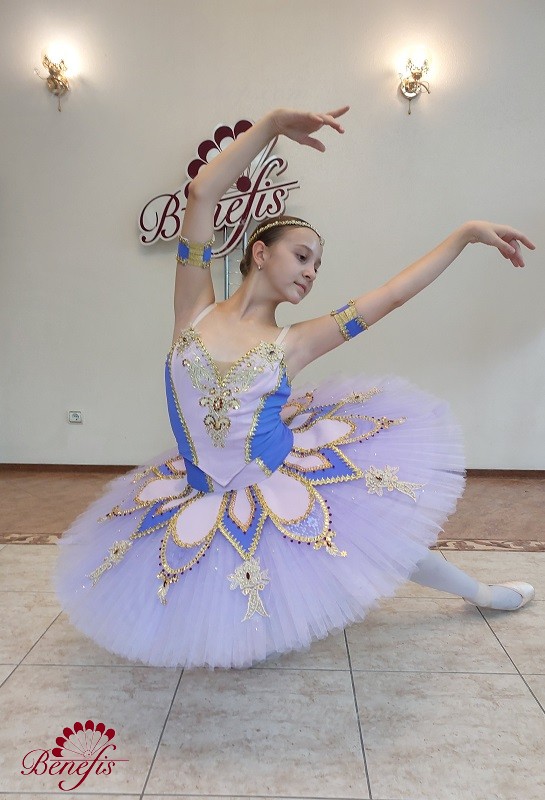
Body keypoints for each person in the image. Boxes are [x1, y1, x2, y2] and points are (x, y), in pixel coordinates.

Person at [55, 106, 536, 669]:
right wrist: (270, 127)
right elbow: (202, 194)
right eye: (302, 256)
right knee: (210, 584)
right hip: (200, 488)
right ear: (260, 253)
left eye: (317, 266)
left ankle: (481, 594)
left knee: (389, 546)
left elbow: (391, 295)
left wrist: (464, 235)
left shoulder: (295, 342)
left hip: (276, 477)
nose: (310, 271)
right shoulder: (193, 308)